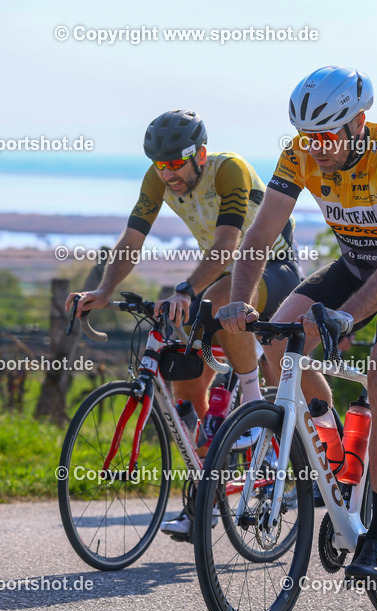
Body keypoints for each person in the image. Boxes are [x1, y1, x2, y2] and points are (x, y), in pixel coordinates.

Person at [217, 66, 377, 580]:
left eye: (328, 135)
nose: (318, 147)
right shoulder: (301, 152)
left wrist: (349, 315)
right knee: (280, 341)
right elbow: (259, 235)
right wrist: (240, 302)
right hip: (353, 263)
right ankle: (337, 456)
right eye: (309, 136)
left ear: (359, 122)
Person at [66, 109, 302, 536]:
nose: (168, 173)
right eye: (161, 164)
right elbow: (131, 239)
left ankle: (252, 404)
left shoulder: (228, 170)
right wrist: (103, 291)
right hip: (221, 275)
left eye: (176, 163)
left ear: (201, 155)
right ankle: (203, 499)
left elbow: (230, 243)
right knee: (188, 384)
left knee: (212, 305)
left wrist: (187, 289)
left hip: (270, 270)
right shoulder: (157, 177)